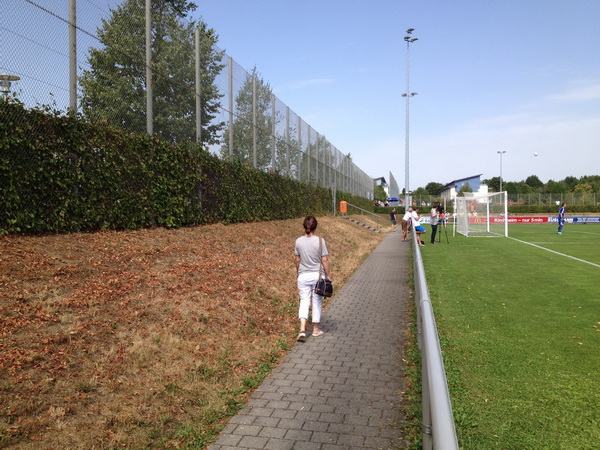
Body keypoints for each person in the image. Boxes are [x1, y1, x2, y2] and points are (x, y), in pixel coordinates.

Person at [294, 216, 331, 342]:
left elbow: (297, 259)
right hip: (317, 277)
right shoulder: (320, 241)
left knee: (304, 301)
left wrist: (298, 272)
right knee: (316, 301)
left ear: (304, 226)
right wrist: (328, 275)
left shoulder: (298, 241)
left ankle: (302, 329)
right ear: (315, 226)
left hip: (303, 276)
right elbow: (324, 260)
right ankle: (315, 329)